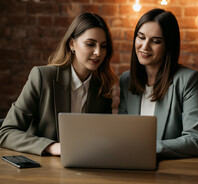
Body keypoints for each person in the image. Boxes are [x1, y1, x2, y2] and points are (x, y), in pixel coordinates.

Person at [0, 12, 116, 156]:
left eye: (103, 46)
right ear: (72, 44)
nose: (98, 52)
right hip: (42, 169)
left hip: (84, 166)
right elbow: (6, 132)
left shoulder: (102, 88)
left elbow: (102, 138)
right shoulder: (43, 77)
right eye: (90, 44)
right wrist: (51, 146)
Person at [118, 8, 198, 159]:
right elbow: (121, 133)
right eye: (141, 37)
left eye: (155, 41)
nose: (145, 46)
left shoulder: (189, 80)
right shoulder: (127, 80)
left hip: (172, 174)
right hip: (132, 167)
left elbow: (195, 141)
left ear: (168, 46)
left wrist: (147, 148)